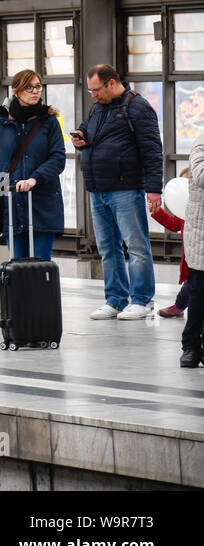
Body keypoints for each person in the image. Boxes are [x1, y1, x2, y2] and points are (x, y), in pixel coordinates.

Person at [74, 64, 163, 321]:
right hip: (98, 188)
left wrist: (153, 189)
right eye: (90, 91)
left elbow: (152, 150)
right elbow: (88, 130)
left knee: (136, 246)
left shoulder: (137, 107)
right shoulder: (98, 107)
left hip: (126, 188)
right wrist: (80, 137)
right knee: (107, 247)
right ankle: (115, 299)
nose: (93, 95)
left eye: (96, 90)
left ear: (111, 83)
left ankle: (143, 300)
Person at [0, 70, 66, 261]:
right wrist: (1, 182)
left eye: (37, 87)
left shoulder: (49, 121)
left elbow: (58, 158)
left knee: (40, 265)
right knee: (17, 264)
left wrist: (35, 178)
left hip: (42, 203)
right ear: (16, 91)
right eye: (29, 87)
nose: (35, 92)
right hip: (12, 204)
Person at [177, 140, 204, 368]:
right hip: (201, 233)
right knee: (199, 294)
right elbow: (202, 175)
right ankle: (191, 346)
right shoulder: (201, 146)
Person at [153, 169, 191, 320]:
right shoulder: (184, 212)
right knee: (190, 284)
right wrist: (157, 212)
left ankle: (179, 307)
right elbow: (173, 224)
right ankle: (179, 306)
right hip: (191, 258)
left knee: (192, 284)